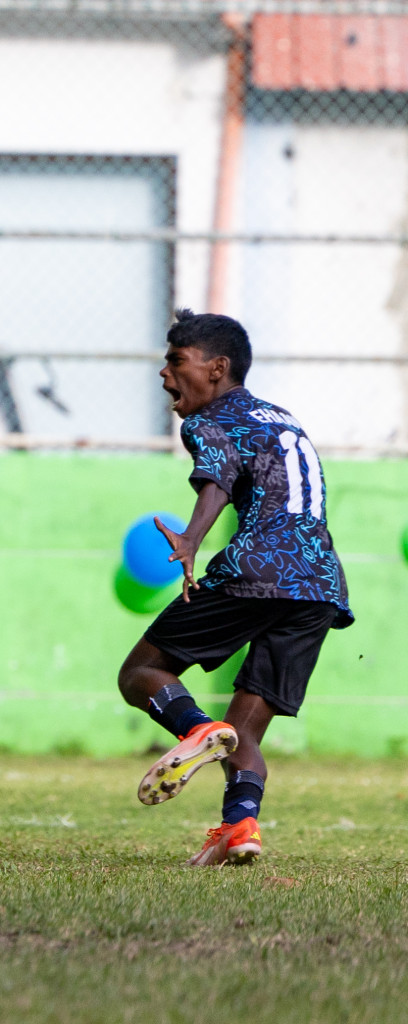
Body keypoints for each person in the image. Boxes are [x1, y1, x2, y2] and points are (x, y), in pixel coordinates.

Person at [116, 309, 351, 867]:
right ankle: (238, 829)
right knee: (246, 731)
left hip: (258, 570)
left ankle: (198, 729)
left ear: (217, 368)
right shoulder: (282, 417)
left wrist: (193, 539)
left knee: (141, 674)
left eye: (176, 362)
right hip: (320, 583)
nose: (165, 374)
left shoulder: (209, 420)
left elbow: (217, 477)